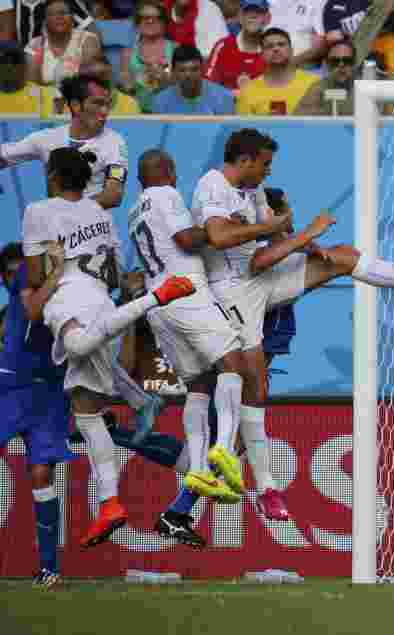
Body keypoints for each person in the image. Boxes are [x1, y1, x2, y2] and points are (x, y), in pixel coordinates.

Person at [190, 128, 394, 520]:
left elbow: (274, 235)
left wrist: (309, 245)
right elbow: (224, 239)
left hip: (260, 275)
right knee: (256, 383)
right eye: (264, 165)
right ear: (245, 160)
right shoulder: (212, 185)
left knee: (341, 256)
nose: (268, 174)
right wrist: (297, 232)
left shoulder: (251, 192)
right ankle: (266, 487)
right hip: (234, 290)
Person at [21, 147, 196, 548]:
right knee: (87, 414)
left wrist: (54, 267)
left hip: (69, 299)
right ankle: (110, 501)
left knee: (79, 349)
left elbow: (34, 275)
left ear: (51, 178)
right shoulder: (100, 214)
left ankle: (156, 299)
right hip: (103, 302)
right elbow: (117, 274)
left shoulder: (37, 211)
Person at [128, 148, 252, 520]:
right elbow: (186, 239)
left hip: (159, 306)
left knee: (199, 384)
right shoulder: (166, 195)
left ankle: (198, 469)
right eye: (175, 172)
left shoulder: (135, 212)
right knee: (234, 363)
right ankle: (225, 450)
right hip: (186, 292)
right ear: (168, 171)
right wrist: (219, 229)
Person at [0, 241, 74, 587]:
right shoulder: (30, 286)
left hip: (49, 390)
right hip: (11, 386)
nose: (19, 276)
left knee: (42, 473)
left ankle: (49, 568)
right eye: (12, 273)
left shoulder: (65, 290)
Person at [0, 74, 128, 211]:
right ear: (76, 106)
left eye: (107, 105)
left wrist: (67, 211)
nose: (105, 111)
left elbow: (113, 195)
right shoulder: (46, 139)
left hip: (95, 229)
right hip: (57, 229)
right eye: (98, 104)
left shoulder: (114, 141)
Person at [235, 27, 319, 115]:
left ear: (291, 51)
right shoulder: (248, 90)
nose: (276, 49)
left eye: (281, 44)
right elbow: (244, 127)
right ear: (261, 55)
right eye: (269, 46)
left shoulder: (313, 84)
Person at [24, 0, 102, 85]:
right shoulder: (34, 45)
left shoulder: (87, 41)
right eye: (52, 14)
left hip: (80, 95)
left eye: (63, 13)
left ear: (73, 18)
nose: (58, 17)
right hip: (44, 96)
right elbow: (32, 86)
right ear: (45, 21)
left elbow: (90, 80)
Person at [119, 0, 177, 112]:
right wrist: (138, 80)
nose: (150, 21)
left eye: (156, 18)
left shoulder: (176, 50)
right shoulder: (127, 53)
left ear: (164, 22)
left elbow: (184, 84)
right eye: (144, 18)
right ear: (137, 23)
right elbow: (125, 88)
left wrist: (165, 79)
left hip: (171, 111)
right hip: (137, 113)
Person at [151, 44, 236, 114]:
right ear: (173, 72)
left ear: (203, 69)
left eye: (194, 69)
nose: (188, 75)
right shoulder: (160, 101)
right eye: (182, 70)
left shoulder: (223, 97)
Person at [205, 0, 269, 92]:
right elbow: (209, 86)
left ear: (267, 18)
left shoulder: (272, 48)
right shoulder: (222, 46)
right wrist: (232, 94)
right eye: (247, 11)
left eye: (258, 12)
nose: (253, 16)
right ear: (240, 17)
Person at [294, 38, 355, 116]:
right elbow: (299, 120)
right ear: (327, 64)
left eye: (347, 61)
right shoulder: (318, 89)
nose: (341, 65)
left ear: (354, 63)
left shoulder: (365, 88)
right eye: (335, 61)